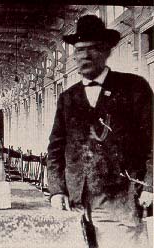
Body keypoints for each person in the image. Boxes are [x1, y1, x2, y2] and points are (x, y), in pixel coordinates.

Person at [47, 15, 153, 247]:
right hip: (77, 203)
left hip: (122, 202)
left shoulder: (134, 88)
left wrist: (150, 185)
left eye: (93, 48)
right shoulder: (68, 98)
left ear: (106, 51)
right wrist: (56, 190)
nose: (85, 56)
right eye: (80, 50)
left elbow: (152, 141)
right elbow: (56, 148)